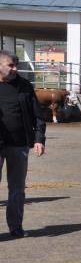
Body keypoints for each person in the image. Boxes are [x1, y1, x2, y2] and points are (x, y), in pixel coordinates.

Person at [0, 50, 46, 238]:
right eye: (11, 65)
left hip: (18, 145)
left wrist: (39, 139)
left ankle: (15, 226)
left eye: (16, 65)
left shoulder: (24, 86)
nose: (15, 69)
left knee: (17, 188)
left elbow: (38, 116)